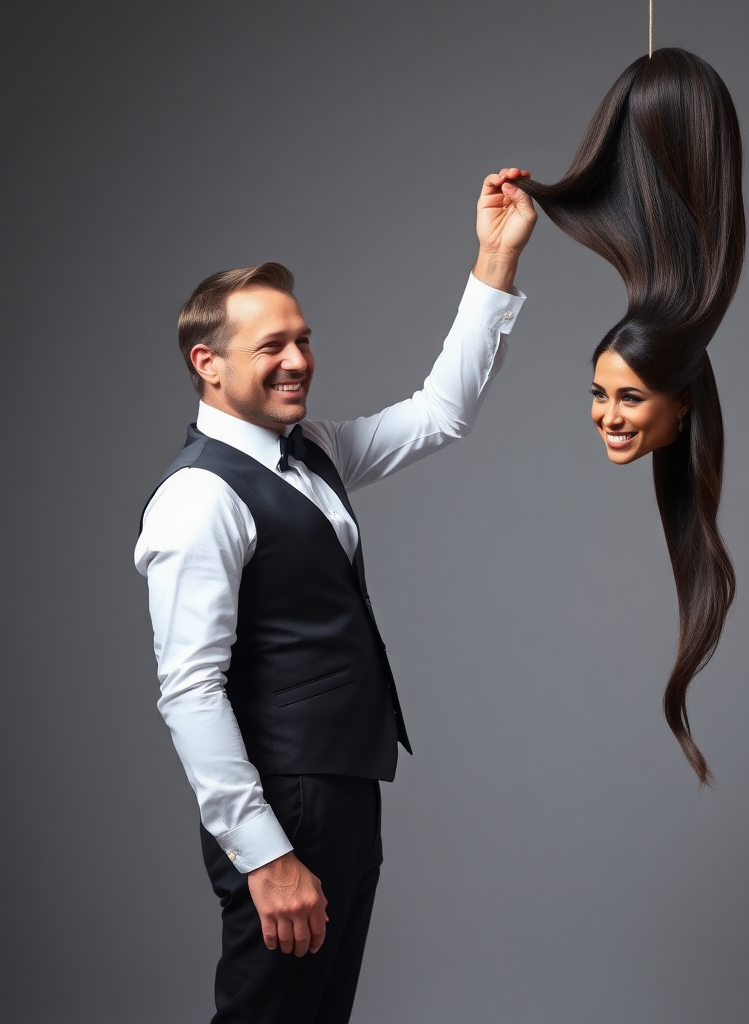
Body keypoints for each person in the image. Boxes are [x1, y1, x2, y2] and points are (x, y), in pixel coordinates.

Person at [134, 168, 536, 1023]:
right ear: (207, 364)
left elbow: (440, 415)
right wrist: (264, 854)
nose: (299, 361)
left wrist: (494, 259)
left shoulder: (308, 449)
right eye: (272, 345)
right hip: (284, 804)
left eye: (303, 339)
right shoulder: (199, 498)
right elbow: (190, 690)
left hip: (346, 789)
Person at [516, 49, 745, 785]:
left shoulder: (685, 291)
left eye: (624, 397)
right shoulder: (688, 291)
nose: (606, 417)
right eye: (601, 393)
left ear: (679, 407)